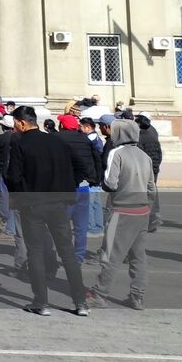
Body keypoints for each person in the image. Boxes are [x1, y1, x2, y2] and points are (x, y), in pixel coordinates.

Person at [5, 105, 88, 316]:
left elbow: (13, 176)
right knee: (67, 252)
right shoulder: (57, 140)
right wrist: (67, 185)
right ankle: (80, 302)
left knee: (35, 251)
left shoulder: (20, 144)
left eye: (15, 123)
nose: (14, 127)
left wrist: (19, 195)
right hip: (58, 203)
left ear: (22, 123)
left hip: (33, 204)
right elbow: (82, 168)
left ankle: (41, 302)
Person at [86, 118, 155, 310]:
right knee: (138, 256)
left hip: (122, 209)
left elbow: (111, 183)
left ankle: (100, 294)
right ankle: (137, 296)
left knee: (112, 255)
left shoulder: (117, 153)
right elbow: (151, 188)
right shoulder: (144, 156)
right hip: (142, 210)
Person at [56, 113, 102, 263]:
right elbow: (96, 159)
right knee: (81, 225)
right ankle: (79, 255)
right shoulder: (85, 139)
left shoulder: (57, 139)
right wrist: (95, 180)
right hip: (83, 186)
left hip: (65, 187)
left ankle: (66, 254)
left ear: (62, 126)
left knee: (62, 224)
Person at [135, 114, 163, 232]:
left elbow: (142, 154)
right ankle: (152, 219)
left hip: (148, 168)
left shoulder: (144, 136)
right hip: (152, 167)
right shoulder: (151, 131)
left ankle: (151, 220)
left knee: (148, 195)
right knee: (151, 193)